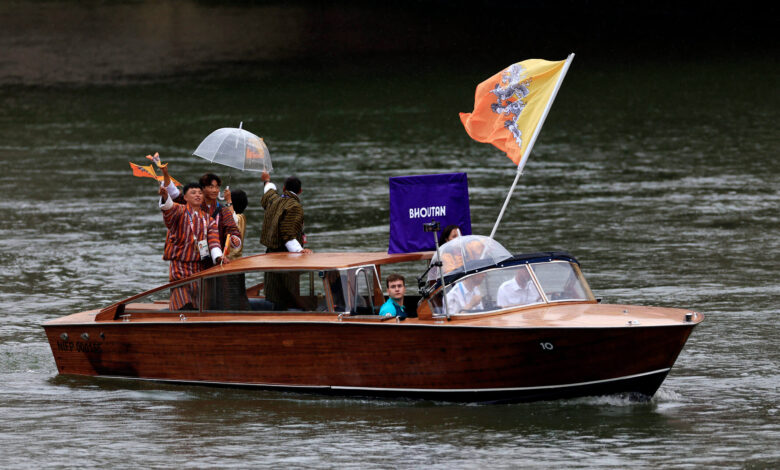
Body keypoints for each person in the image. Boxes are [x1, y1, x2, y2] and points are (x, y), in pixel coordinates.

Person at [158, 183, 229, 310]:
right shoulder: (179, 211)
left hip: (198, 268)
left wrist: (218, 257)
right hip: (180, 267)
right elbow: (168, 209)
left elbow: (213, 241)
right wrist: (165, 197)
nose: (197, 195)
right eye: (193, 192)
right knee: (183, 303)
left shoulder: (209, 220)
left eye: (200, 193)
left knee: (198, 304)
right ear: (185, 197)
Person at [160, 163, 242, 266]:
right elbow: (173, 194)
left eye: (217, 187)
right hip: (191, 258)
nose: (215, 190)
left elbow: (232, 230)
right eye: (211, 187)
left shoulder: (223, 211)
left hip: (216, 258)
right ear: (202, 189)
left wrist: (234, 239)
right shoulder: (192, 203)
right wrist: (165, 174)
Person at [259, 171, 312, 254]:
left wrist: (266, 180)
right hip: (285, 255)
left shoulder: (273, 200)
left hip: (269, 254)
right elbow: (287, 234)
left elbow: (268, 191)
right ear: (300, 191)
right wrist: (299, 250)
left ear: (284, 189)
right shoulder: (295, 207)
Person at [224, 188, 248, 261]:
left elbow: (232, 219)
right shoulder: (243, 217)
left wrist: (228, 201)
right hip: (238, 259)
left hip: (230, 260)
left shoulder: (238, 218)